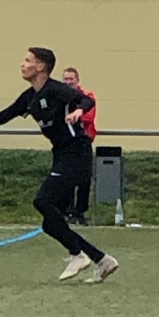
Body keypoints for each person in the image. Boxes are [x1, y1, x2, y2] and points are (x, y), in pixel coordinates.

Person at [0, 47, 118, 284]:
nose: (23, 64)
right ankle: (102, 260)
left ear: (40, 66)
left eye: (28, 60)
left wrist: (79, 110)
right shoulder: (30, 97)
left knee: (42, 201)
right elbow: (4, 115)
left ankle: (77, 255)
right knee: (51, 224)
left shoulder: (56, 89)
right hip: (61, 155)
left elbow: (87, 100)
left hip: (76, 154)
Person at [61, 67, 96, 225]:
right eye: (66, 79)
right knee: (66, 177)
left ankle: (80, 212)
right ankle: (67, 211)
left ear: (77, 80)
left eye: (71, 79)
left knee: (84, 178)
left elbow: (88, 117)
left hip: (83, 141)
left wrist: (75, 114)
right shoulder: (60, 97)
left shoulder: (87, 96)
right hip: (65, 143)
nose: (68, 82)